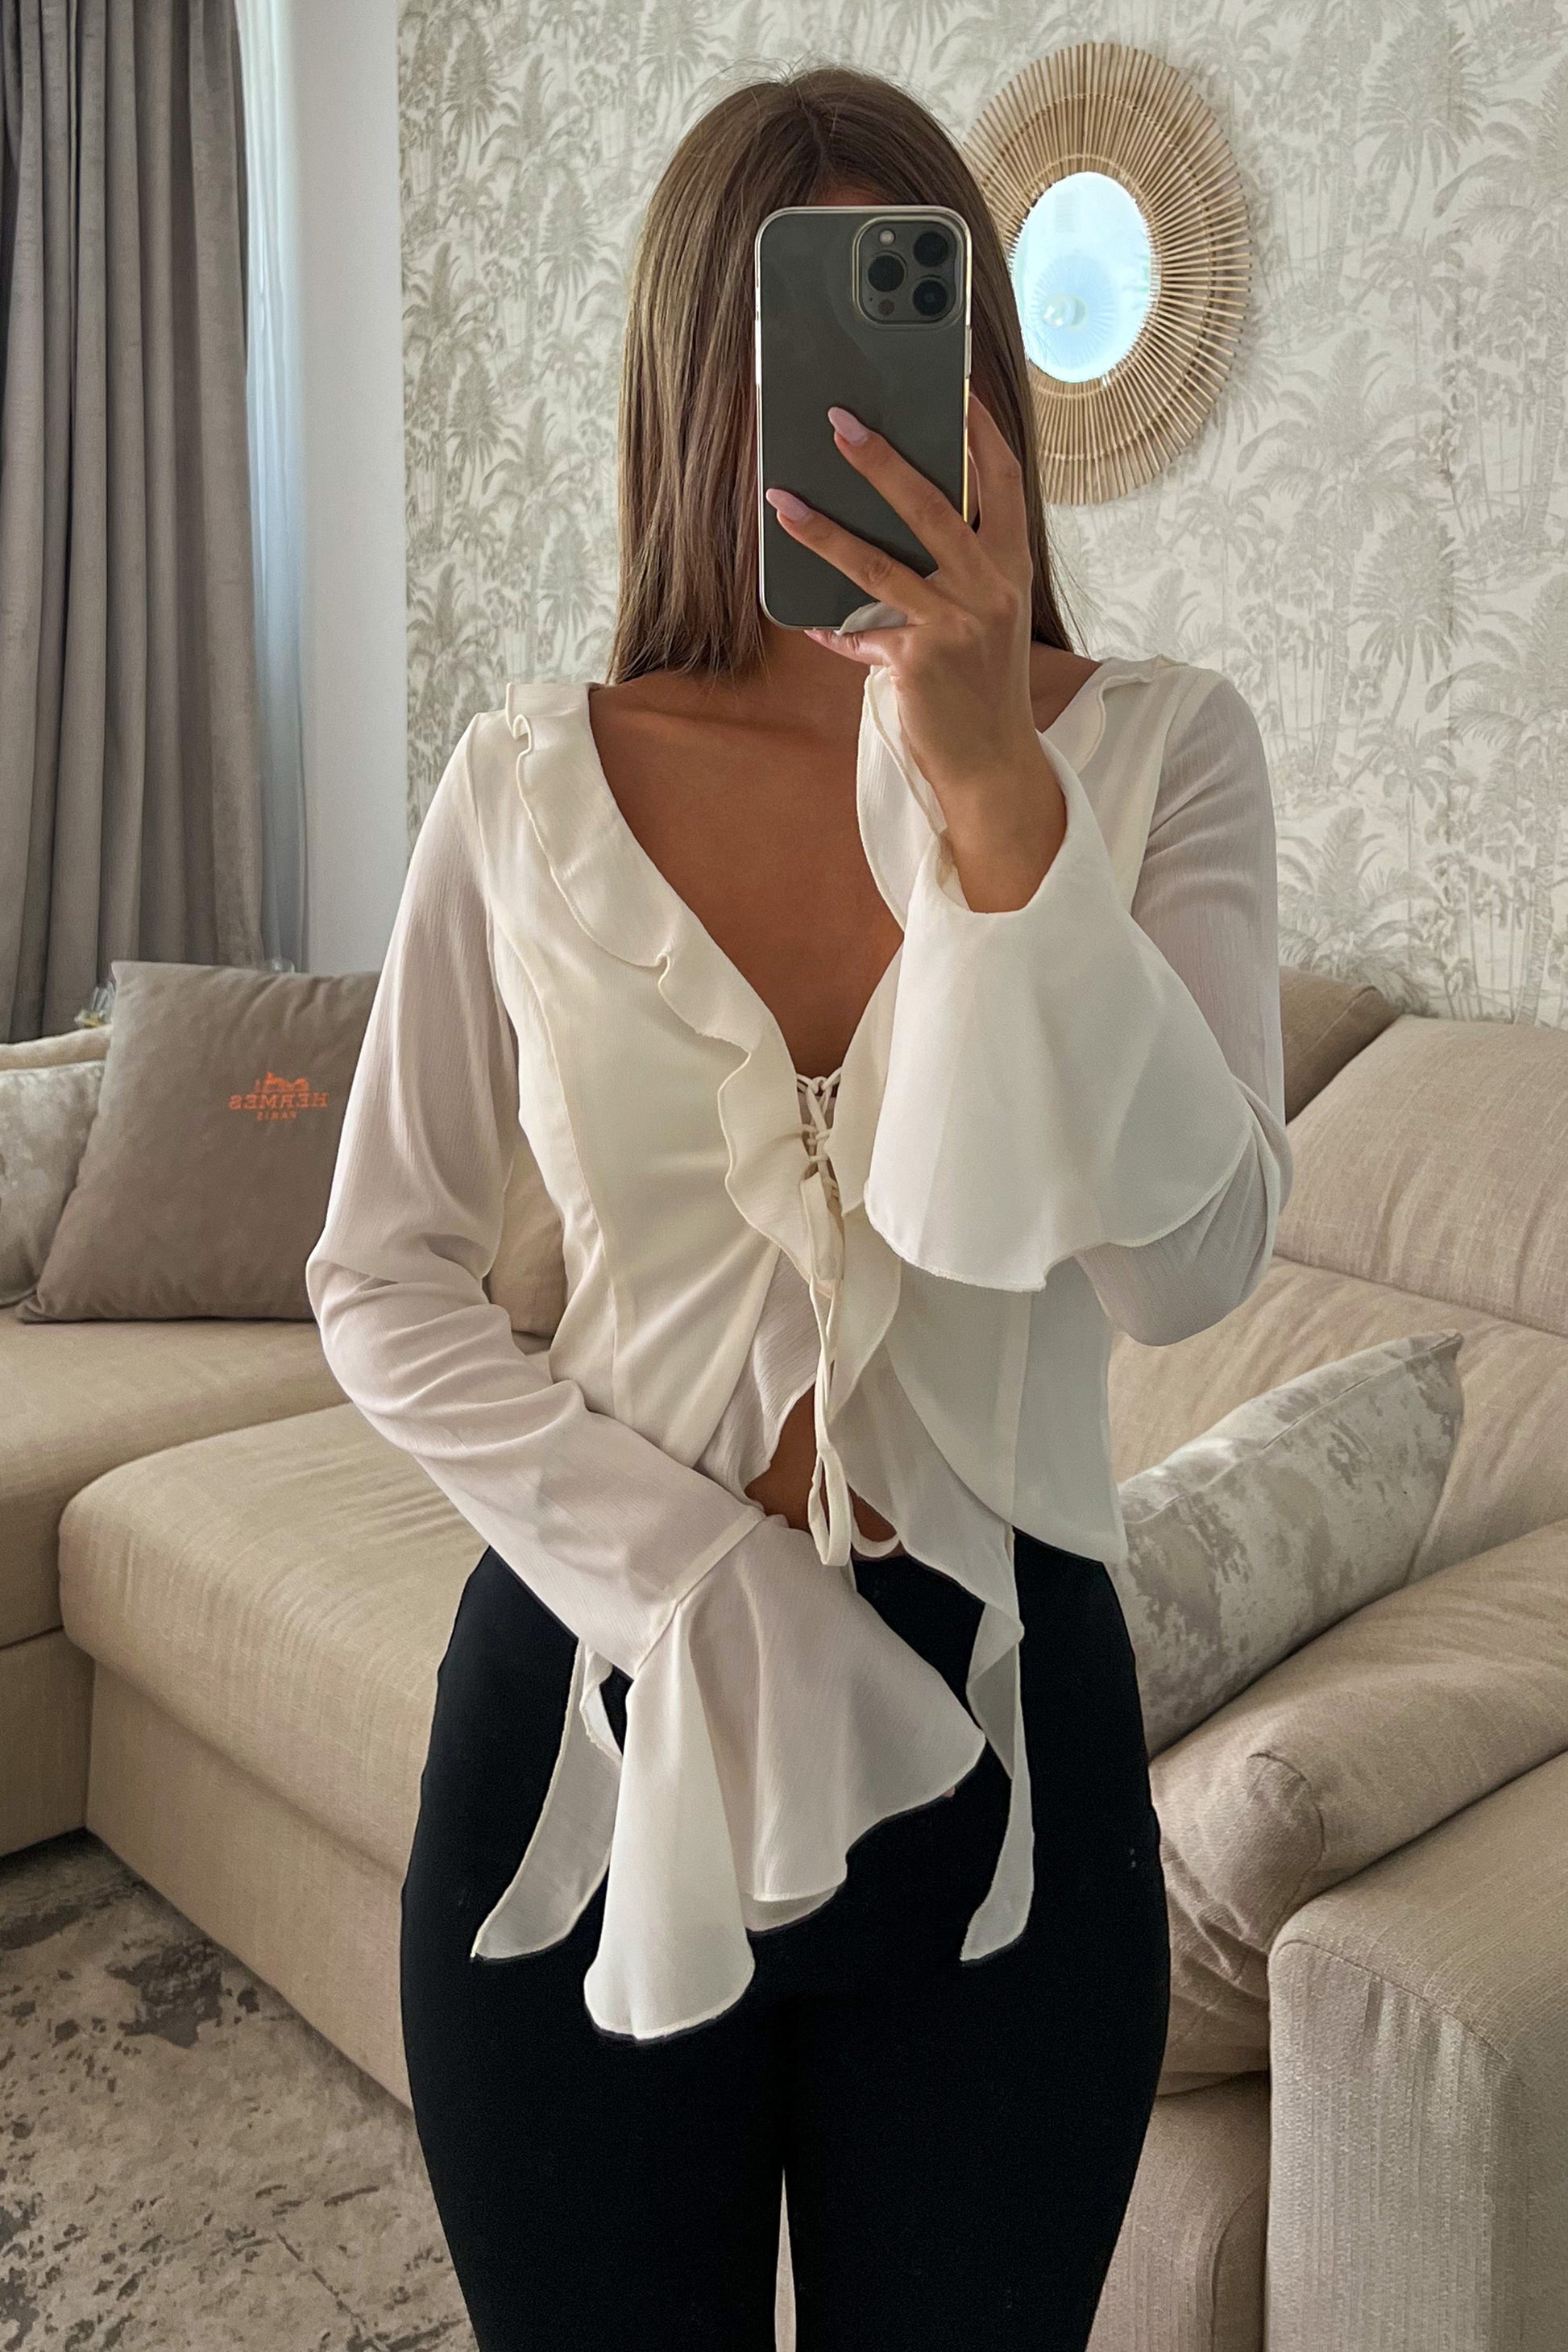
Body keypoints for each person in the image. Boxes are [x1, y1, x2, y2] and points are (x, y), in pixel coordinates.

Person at [306, 62, 1291, 2352]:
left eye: (903, 324)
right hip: (589, 1707)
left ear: (987, 386)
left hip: (1003, 1751)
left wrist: (1000, 803)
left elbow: (1184, 1267)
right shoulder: (522, 782)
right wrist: (678, 1577)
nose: (847, 413)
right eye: (785, 338)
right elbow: (381, 1269)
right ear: (688, 380)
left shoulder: (1159, 752)